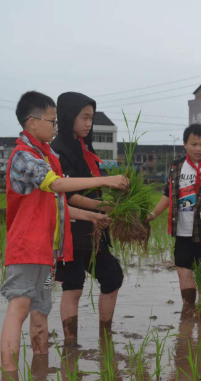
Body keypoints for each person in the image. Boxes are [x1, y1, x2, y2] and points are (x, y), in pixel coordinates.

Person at [0, 91, 129, 371]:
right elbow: (56, 186)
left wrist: (91, 215)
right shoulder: (25, 157)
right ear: (32, 122)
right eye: (51, 120)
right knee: (20, 307)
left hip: (48, 256)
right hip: (26, 252)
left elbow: (58, 206)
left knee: (40, 308)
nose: (55, 126)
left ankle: (41, 371)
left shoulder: (45, 155)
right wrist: (106, 181)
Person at [51, 92, 125, 343]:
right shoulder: (58, 151)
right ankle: (70, 344)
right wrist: (102, 207)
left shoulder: (85, 147)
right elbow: (67, 195)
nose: (88, 124)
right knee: (73, 285)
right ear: (68, 116)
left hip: (94, 229)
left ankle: (106, 333)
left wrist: (107, 206)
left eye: (91, 118)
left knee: (112, 275)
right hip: (71, 229)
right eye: (84, 117)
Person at [147, 124, 201, 308]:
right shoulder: (176, 167)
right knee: (183, 270)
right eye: (194, 144)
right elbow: (168, 194)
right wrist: (153, 214)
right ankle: (188, 309)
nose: (198, 149)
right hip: (182, 231)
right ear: (185, 144)